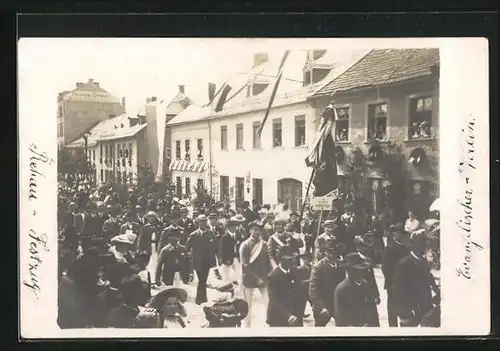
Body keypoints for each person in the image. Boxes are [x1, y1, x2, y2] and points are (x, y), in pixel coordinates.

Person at [392, 230, 440, 327]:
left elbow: (429, 280)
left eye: (424, 246)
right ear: (413, 246)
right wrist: (405, 311)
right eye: (420, 245)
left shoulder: (423, 262)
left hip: (426, 308)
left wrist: (438, 293)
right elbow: (398, 290)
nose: (423, 248)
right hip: (410, 310)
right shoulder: (404, 264)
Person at [334, 253, 380, 327]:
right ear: (349, 271)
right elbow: (340, 318)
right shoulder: (342, 289)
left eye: (362, 270)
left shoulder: (366, 284)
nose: (361, 272)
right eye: (357, 270)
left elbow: (373, 310)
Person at [239, 220, 271, 328]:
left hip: (263, 277)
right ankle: (247, 325)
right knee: (247, 304)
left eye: (259, 230)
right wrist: (256, 279)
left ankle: (270, 322)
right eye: (255, 230)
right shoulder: (245, 245)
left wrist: (268, 276)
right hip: (249, 277)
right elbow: (245, 265)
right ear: (250, 230)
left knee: (268, 302)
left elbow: (268, 262)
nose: (257, 232)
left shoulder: (265, 244)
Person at [309, 239, 346, 327]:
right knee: (319, 329)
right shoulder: (319, 267)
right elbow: (313, 290)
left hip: (337, 304)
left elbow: (343, 285)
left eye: (333, 252)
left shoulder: (340, 265)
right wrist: (321, 307)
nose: (330, 255)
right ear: (325, 252)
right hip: (323, 305)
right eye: (328, 252)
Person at [266, 245, 304, 327]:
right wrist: (288, 315)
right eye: (289, 259)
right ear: (281, 260)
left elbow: (299, 294)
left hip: (295, 316)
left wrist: (298, 314)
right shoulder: (273, 276)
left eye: (293, 258)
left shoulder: (295, 271)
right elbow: (274, 301)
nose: (293, 261)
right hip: (278, 317)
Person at [185, 214, 218, 304]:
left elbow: (215, 247)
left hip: (207, 261)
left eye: (204, 222)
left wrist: (216, 260)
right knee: (202, 279)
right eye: (201, 222)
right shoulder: (193, 235)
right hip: (197, 261)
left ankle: (201, 298)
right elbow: (187, 247)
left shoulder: (210, 233)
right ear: (198, 223)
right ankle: (201, 298)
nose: (203, 224)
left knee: (203, 279)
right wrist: (188, 259)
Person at [382, 222, 410, 327]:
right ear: (394, 234)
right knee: (392, 310)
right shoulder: (389, 248)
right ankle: (392, 330)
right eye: (398, 233)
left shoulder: (407, 248)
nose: (401, 235)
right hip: (393, 284)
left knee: (405, 309)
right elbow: (385, 267)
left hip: (405, 284)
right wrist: (393, 281)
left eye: (402, 233)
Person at [353, 232, 381, 326]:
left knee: (372, 318)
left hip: (369, 293)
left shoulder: (368, 260)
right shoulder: (353, 259)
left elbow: (372, 278)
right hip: (358, 292)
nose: (364, 249)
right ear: (357, 248)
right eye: (362, 246)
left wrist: (376, 294)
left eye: (365, 246)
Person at [219, 216, 243, 282]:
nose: (234, 228)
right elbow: (222, 249)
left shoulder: (238, 235)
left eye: (235, 226)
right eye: (232, 227)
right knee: (227, 274)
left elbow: (240, 246)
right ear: (228, 228)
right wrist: (224, 259)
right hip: (228, 258)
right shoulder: (225, 237)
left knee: (237, 273)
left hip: (236, 257)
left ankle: (235, 283)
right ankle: (228, 285)